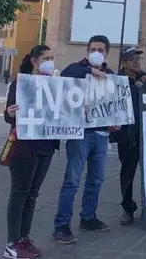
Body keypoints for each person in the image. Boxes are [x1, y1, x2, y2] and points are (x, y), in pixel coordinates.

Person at [53, 35, 118, 245]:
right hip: (80, 134)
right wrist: (90, 71)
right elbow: (64, 76)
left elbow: (115, 103)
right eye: (93, 49)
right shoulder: (77, 69)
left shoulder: (111, 75)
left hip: (101, 135)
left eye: (100, 49)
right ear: (88, 51)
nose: (97, 52)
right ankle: (61, 225)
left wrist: (114, 123)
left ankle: (88, 217)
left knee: (96, 180)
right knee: (72, 180)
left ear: (106, 52)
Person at [2, 44, 58, 259]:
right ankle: (11, 243)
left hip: (46, 147)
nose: (50, 61)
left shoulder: (55, 86)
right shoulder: (21, 83)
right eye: (46, 58)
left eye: (52, 57)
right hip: (24, 148)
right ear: (35, 61)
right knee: (19, 194)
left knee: (32, 194)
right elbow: (8, 115)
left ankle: (23, 238)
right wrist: (9, 112)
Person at [110, 47, 146, 225]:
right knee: (128, 174)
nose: (137, 61)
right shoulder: (117, 81)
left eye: (138, 58)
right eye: (132, 59)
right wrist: (135, 89)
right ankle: (128, 208)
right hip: (128, 136)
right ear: (123, 62)